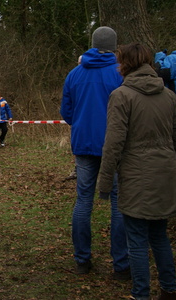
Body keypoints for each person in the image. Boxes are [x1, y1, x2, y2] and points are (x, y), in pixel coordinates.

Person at [99, 43, 176, 300]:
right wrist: (175, 171)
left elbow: (113, 142)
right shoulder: (168, 94)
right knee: (159, 236)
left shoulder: (122, 95)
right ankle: (170, 289)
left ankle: (141, 294)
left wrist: (104, 182)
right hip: (164, 174)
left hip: (137, 176)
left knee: (136, 240)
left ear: (125, 64)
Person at [60, 26, 130, 278]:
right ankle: (121, 265)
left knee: (83, 201)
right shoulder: (121, 73)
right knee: (118, 202)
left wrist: (80, 123)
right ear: (114, 46)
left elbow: (66, 112)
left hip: (84, 144)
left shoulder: (74, 74)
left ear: (91, 43)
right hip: (115, 145)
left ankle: (82, 260)